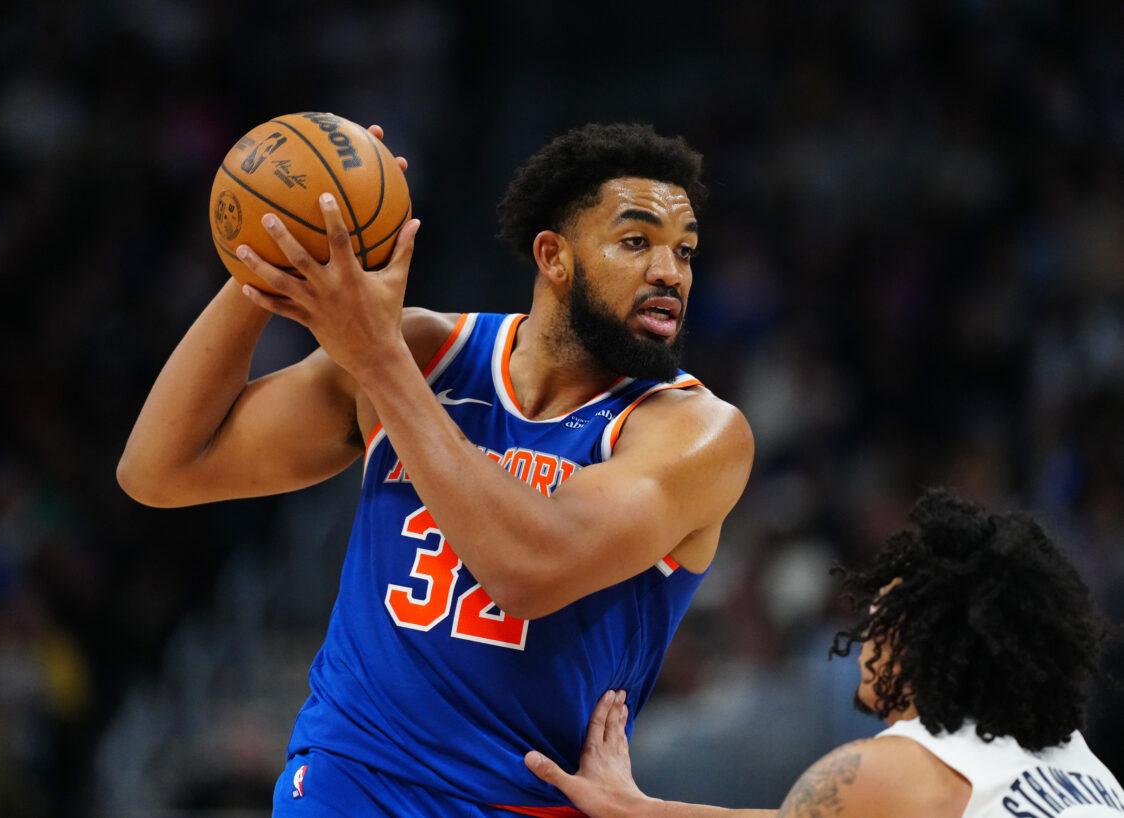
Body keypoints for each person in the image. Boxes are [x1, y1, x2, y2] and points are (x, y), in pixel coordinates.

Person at [117, 121, 754, 815]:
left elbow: (525, 568)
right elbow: (161, 469)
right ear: (553, 255)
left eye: (684, 251)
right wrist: (269, 259)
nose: (671, 272)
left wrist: (378, 361)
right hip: (347, 776)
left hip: (516, 801)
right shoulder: (425, 349)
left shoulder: (695, 432)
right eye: (638, 242)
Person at [524, 487, 1124, 817]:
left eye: (884, 611)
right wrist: (637, 809)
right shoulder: (1085, 769)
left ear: (929, 641)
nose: (865, 626)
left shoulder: (889, 771)